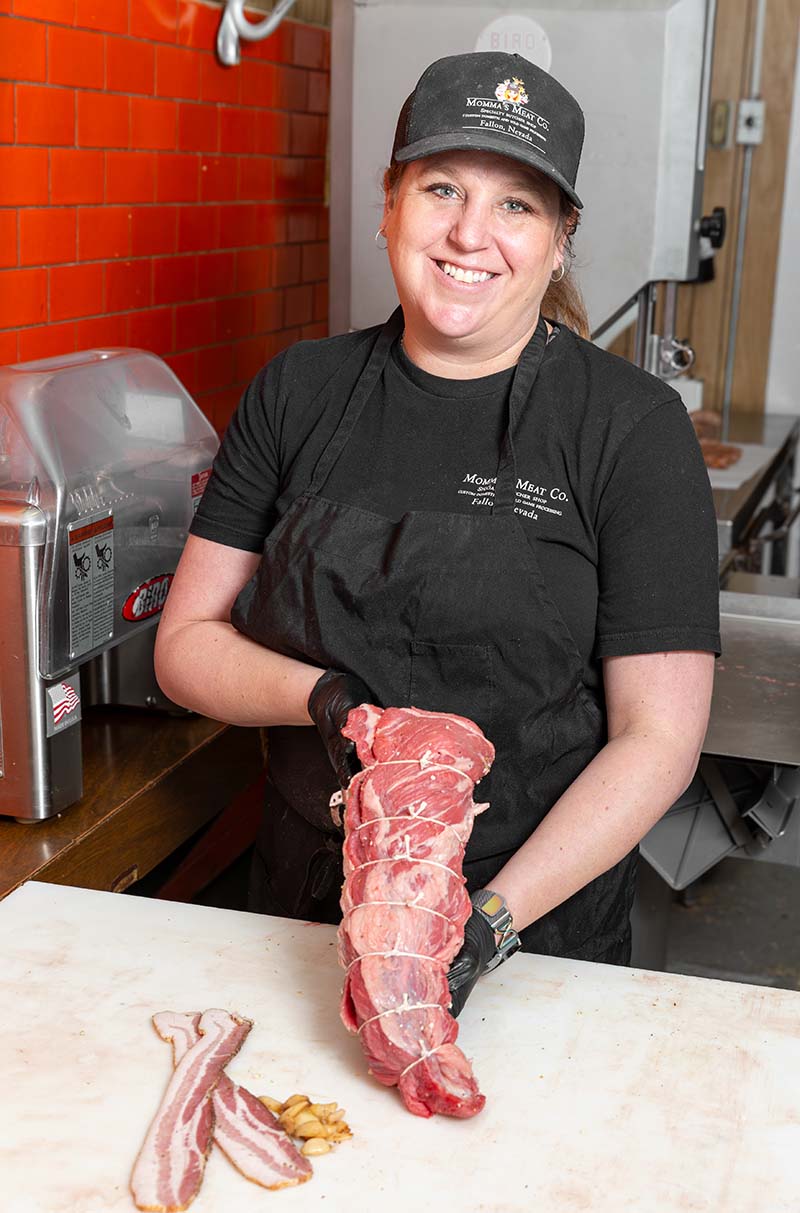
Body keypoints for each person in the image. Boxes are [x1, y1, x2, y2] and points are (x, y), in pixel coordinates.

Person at [155, 51, 719, 1016]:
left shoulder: (631, 426)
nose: (470, 233)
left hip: (538, 932)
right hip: (303, 909)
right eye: (442, 188)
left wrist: (484, 924)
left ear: (559, 239)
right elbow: (185, 648)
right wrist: (335, 704)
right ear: (389, 202)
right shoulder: (298, 391)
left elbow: (658, 735)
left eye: (517, 205)